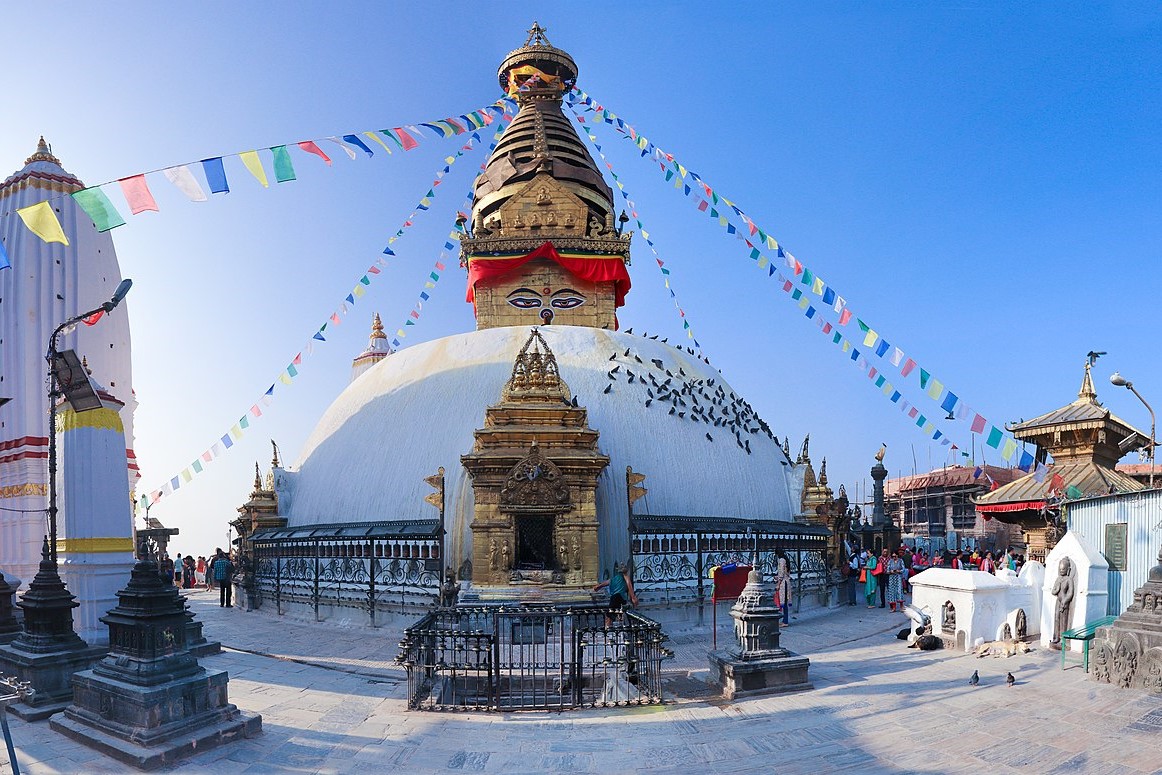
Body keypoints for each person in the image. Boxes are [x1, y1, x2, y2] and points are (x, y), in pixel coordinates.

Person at [593, 562, 638, 627]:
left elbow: (606, 583)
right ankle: (610, 625)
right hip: (619, 597)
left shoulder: (615, 578)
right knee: (612, 613)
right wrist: (633, 597)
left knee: (611, 613)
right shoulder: (624, 576)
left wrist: (598, 587)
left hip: (615, 597)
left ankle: (609, 626)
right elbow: (629, 585)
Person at [775, 549, 792, 625]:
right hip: (787, 582)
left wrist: (778, 584)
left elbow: (781, 573)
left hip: (783, 583)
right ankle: (785, 620)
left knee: (784, 602)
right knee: (785, 602)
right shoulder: (786, 559)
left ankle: (785, 621)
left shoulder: (781, 560)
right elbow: (786, 573)